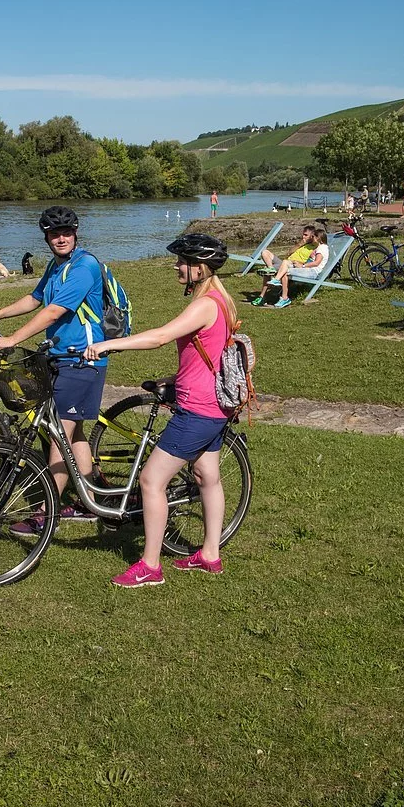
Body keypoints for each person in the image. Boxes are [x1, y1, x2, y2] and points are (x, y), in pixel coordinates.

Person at [84, 233, 237, 587]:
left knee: (151, 481)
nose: (176, 266)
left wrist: (107, 344)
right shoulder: (222, 300)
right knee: (207, 477)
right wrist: (175, 379)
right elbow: (209, 356)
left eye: (182, 261)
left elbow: (160, 337)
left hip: (198, 410)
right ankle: (210, 554)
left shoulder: (205, 305)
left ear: (200, 268)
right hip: (215, 406)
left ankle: (150, 566)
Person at [0, 206, 107, 528]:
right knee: (73, 432)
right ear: (47, 237)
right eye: (54, 234)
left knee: (58, 436)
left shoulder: (84, 266)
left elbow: (52, 312)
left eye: (66, 232)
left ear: (76, 234)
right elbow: (35, 299)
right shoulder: (56, 265)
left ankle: (46, 515)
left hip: (83, 360)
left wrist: (12, 340)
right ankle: (95, 495)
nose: (60, 238)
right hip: (62, 358)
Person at [252, 224, 317, 307]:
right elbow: (289, 252)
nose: (303, 236)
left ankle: (262, 296)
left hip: (292, 265)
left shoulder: (314, 246)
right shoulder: (302, 244)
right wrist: (300, 244)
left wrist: (302, 264)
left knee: (266, 270)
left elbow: (314, 260)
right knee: (265, 252)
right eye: (303, 234)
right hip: (285, 262)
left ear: (312, 236)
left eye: (306, 235)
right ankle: (271, 268)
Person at [264, 227, 329, 309]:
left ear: (319, 238)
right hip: (308, 269)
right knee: (285, 263)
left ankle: (284, 298)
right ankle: (277, 282)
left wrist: (303, 266)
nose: (312, 238)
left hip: (312, 272)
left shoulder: (321, 248)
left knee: (285, 272)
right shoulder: (321, 248)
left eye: (314, 236)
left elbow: (316, 263)